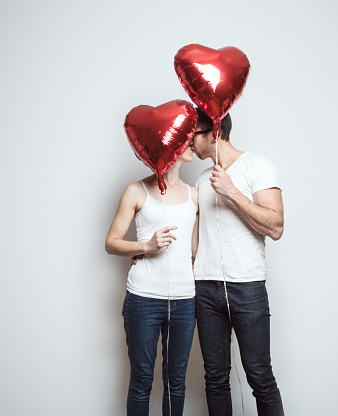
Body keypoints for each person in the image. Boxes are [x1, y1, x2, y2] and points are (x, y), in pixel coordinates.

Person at [190, 108, 285, 416]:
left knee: (260, 376)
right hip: (204, 288)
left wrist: (232, 192)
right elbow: (197, 238)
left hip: (247, 288)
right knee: (215, 378)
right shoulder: (203, 179)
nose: (187, 142)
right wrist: (149, 253)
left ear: (213, 134)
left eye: (193, 134)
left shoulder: (258, 166)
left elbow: (276, 227)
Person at [105, 145, 199, 416]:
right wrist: (146, 246)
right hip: (143, 299)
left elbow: (194, 252)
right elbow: (111, 243)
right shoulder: (136, 191)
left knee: (175, 382)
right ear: (171, 147)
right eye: (186, 140)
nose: (192, 144)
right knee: (142, 381)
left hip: (184, 300)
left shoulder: (195, 196)